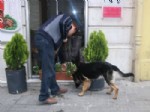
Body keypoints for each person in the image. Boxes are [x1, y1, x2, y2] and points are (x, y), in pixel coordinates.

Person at [34, 13, 77, 104]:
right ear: (73, 26)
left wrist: (63, 62)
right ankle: (43, 96)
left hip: (45, 41)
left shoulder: (60, 34)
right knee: (47, 69)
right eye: (72, 33)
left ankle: (55, 89)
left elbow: (59, 50)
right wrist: (65, 36)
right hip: (43, 39)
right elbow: (62, 22)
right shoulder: (67, 18)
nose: (70, 35)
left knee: (51, 67)